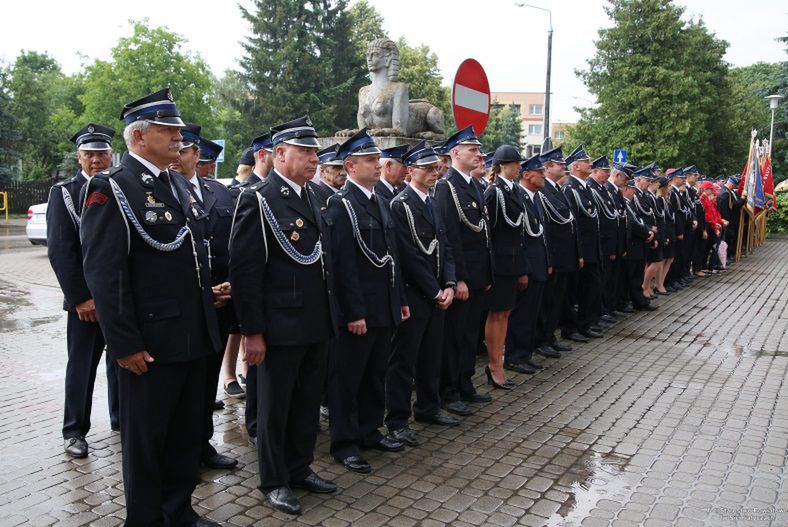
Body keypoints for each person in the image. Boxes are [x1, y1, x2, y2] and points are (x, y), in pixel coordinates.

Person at [79, 88, 222, 527]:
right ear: (139, 138)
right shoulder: (112, 188)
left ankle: (179, 511)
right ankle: (144, 519)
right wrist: (124, 345)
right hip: (151, 344)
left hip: (194, 334)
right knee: (147, 442)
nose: (179, 137)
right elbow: (105, 274)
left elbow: (184, 255)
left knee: (183, 438)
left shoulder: (175, 183)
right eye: (169, 130)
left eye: (179, 130)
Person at [230, 116, 338, 516]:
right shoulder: (258, 199)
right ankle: (274, 480)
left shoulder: (313, 196)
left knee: (307, 404)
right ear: (279, 154)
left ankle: (299, 467)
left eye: (314, 152)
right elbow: (246, 272)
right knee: (275, 408)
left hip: (315, 322)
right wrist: (252, 333)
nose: (314, 159)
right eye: (306, 152)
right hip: (279, 326)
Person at [325, 129, 408, 474]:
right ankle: (345, 443)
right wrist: (353, 312)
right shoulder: (341, 204)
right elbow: (342, 266)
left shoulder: (381, 201)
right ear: (350, 165)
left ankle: (369, 430)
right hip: (359, 310)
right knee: (348, 379)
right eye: (371, 160)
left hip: (384, 305)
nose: (378, 165)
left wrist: (399, 299)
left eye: (378, 160)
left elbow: (393, 257)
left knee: (375, 374)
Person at [47, 123, 120, 458]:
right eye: (89, 153)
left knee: (124, 360)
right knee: (82, 365)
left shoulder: (121, 187)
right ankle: (74, 430)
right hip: (87, 302)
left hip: (120, 298)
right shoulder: (64, 192)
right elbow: (61, 250)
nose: (96, 160)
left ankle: (121, 418)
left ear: (111, 154)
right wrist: (80, 298)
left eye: (101, 153)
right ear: (79, 157)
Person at [169, 124, 238, 471]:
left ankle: (203, 444)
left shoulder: (220, 193)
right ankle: (183, 452)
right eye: (176, 148)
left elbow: (234, 245)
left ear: (197, 155)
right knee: (185, 384)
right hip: (189, 306)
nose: (177, 155)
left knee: (209, 378)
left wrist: (230, 285)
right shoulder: (165, 191)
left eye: (184, 150)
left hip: (221, 302)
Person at [386, 141, 457, 447]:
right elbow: (409, 255)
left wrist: (451, 284)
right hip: (416, 293)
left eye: (436, 168)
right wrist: (435, 290)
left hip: (439, 292)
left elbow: (446, 245)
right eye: (427, 169)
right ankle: (398, 419)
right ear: (410, 170)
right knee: (404, 360)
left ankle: (428, 407)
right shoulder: (401, 205)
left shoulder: (433, 201)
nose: (434, 173)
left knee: (432, 354)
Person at [433, 126, 493, 417]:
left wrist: (484, 275)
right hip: (463, 278)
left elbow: (481, 235)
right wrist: (457, 278)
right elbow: (449, 238)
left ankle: (465, 383)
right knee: (455, 337)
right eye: (473, 150)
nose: (479, 155)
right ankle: (449, 391)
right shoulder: (447, 187)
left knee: (470, 335)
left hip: (478, 275)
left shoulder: (472, 185)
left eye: (479, 150)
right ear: (455, 153)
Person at [483, 145, 527, 386]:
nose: (519, 167)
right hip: (499, 264)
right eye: (515, 163)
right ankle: (494, 365)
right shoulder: (494, 192)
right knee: (497, 314)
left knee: (506, 313)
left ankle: (498, 362)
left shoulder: (513, 191)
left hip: (511, 262)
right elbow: (488, 235)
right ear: (503, 166)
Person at [534, 146, 583, 352]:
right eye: (559, 163)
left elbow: (570, 223)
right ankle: (541, 340)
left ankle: (550, 337)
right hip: (554, 255)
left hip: (564, 256)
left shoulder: (556, 189)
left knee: (557, 300)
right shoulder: (543, 191)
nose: (564, 166)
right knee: (547, 302)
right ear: (547, 168)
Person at [505, 154, 551, 374]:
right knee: (521, 314)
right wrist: (522, 270)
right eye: (539, 172)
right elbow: (518, 237)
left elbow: (541, 235)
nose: (544, 175)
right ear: (526, 175)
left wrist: (547, 261)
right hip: (527, 266)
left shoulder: (535, 197)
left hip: (539, 264)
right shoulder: (518, 197)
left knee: (532, 312)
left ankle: (526, 353)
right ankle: (514, 356)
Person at [562, 145, 604, 339]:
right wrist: (578, 252)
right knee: (576, 291)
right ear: (576, 166)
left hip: (592, 248)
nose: (590, 164)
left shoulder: (585, 188)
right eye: (586, 161)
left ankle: (586, 323)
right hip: (582, 250)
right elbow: (575, 223)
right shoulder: (571, 189)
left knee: (591, 287)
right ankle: (571, 328)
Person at [587, 155, 620, 324]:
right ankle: (598, 312)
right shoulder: (591, 187)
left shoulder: (601, 188)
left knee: (604, 280)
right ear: (595, 171)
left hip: (606, 243)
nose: (608, 174)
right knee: (598, 282)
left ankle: (601, 312)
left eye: (608, 171)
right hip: (600, 243)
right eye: (605, 171)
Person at [620, 177, 657, 311]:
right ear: (625, 189)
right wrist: (647, 233)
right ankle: (629, 301)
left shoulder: (630, 204)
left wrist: (648, 230)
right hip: (632, 245)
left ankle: (639, 301)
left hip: (637, 244)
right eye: (632, 190)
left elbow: (639, 220)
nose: (634, 193)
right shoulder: (624, 203)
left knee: (636, 276)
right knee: (630, 277)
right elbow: (633, 224)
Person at [654, 176, 676, 295]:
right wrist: (665, 235)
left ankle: (661, 282)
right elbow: (661, 219)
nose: (670, 188)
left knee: (670, 258)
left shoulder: (666, 199)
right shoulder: (659, 199)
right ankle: (658, 284)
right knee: (662, 259)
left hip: (670, 230)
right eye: (668, 186)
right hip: (665, 232)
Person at [700, 180, 726, 272]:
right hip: (708, 226)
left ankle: (709, 266)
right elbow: (708, 217)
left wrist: (720, 222)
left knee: (710, 248)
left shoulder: (709, 201)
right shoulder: (704, 200)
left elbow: (715, 215)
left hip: (712, 226)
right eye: (713, 192)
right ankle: (705, 267)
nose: (715, 196)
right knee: (706, 248)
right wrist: (715, 227)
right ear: (707, 190)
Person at [717, 176, 744, 262]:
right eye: (736, 185)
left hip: (732, 220)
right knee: (727, 238)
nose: (736, 187)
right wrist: (743, 199)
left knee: (731, 237)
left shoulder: (730, 191)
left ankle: (730, 255)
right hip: (728, 220)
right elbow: (726, 208)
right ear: (732, 184)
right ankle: (727, 257)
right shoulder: (725, 193)